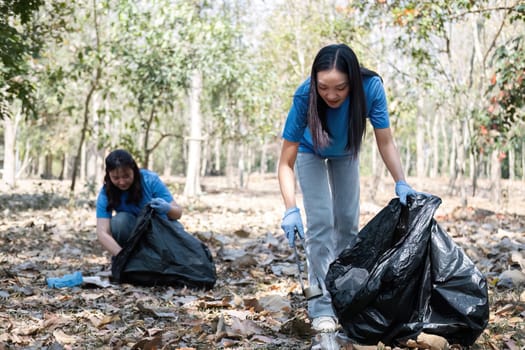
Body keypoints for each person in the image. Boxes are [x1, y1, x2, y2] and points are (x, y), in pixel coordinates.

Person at [277, 44, 417, 333]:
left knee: (348, 225)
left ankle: (345, 296)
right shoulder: (304, 95)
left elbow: (385, 141)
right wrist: (291, 208)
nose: (331, 95)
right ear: (314, 82)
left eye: (340, 88)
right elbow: (285, 162)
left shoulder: (371, 88)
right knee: (320, 223)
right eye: (323, 87)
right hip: (309, 152)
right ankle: (321, 304)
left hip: (346, 153)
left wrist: (400, 180)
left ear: (352, 80)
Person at [96, 149, 183, 257]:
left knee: (178, 230)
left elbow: (178, 213)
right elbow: (102, 232)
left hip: (158, 229)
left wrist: (167, 208)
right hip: (132, 233)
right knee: (119, 221)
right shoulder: (106, 192)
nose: (122, 182)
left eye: (126, 176)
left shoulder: (150, 180)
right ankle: (133, 259)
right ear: (109, 175)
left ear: (134, 170)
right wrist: (121, 256)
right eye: (116, 178)